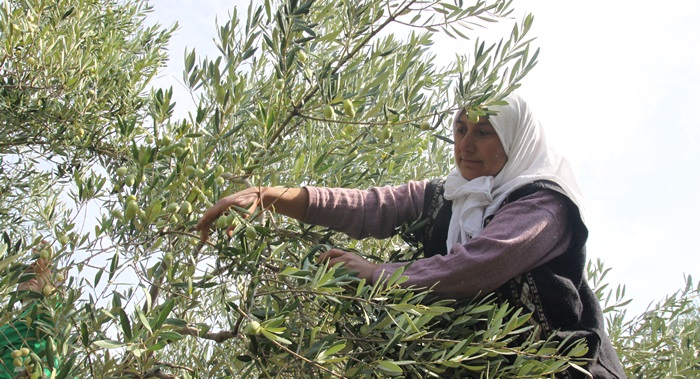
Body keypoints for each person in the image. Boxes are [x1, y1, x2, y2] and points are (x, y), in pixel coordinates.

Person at [197, 94, 627, 378]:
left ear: (516, 137)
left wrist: (378, 273)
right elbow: (369, 207)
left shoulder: (544, 204)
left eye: (483, 132)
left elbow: (479, 264)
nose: (466, 145)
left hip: (562, 369)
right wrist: (268, 196)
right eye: (460, 130)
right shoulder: (448, 195)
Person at [1, 248, 59, 379]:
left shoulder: (49, 308)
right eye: (27, 273)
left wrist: (45, 280)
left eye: (36, 273)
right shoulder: (8, 326)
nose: (32, 276)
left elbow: (52, 317)